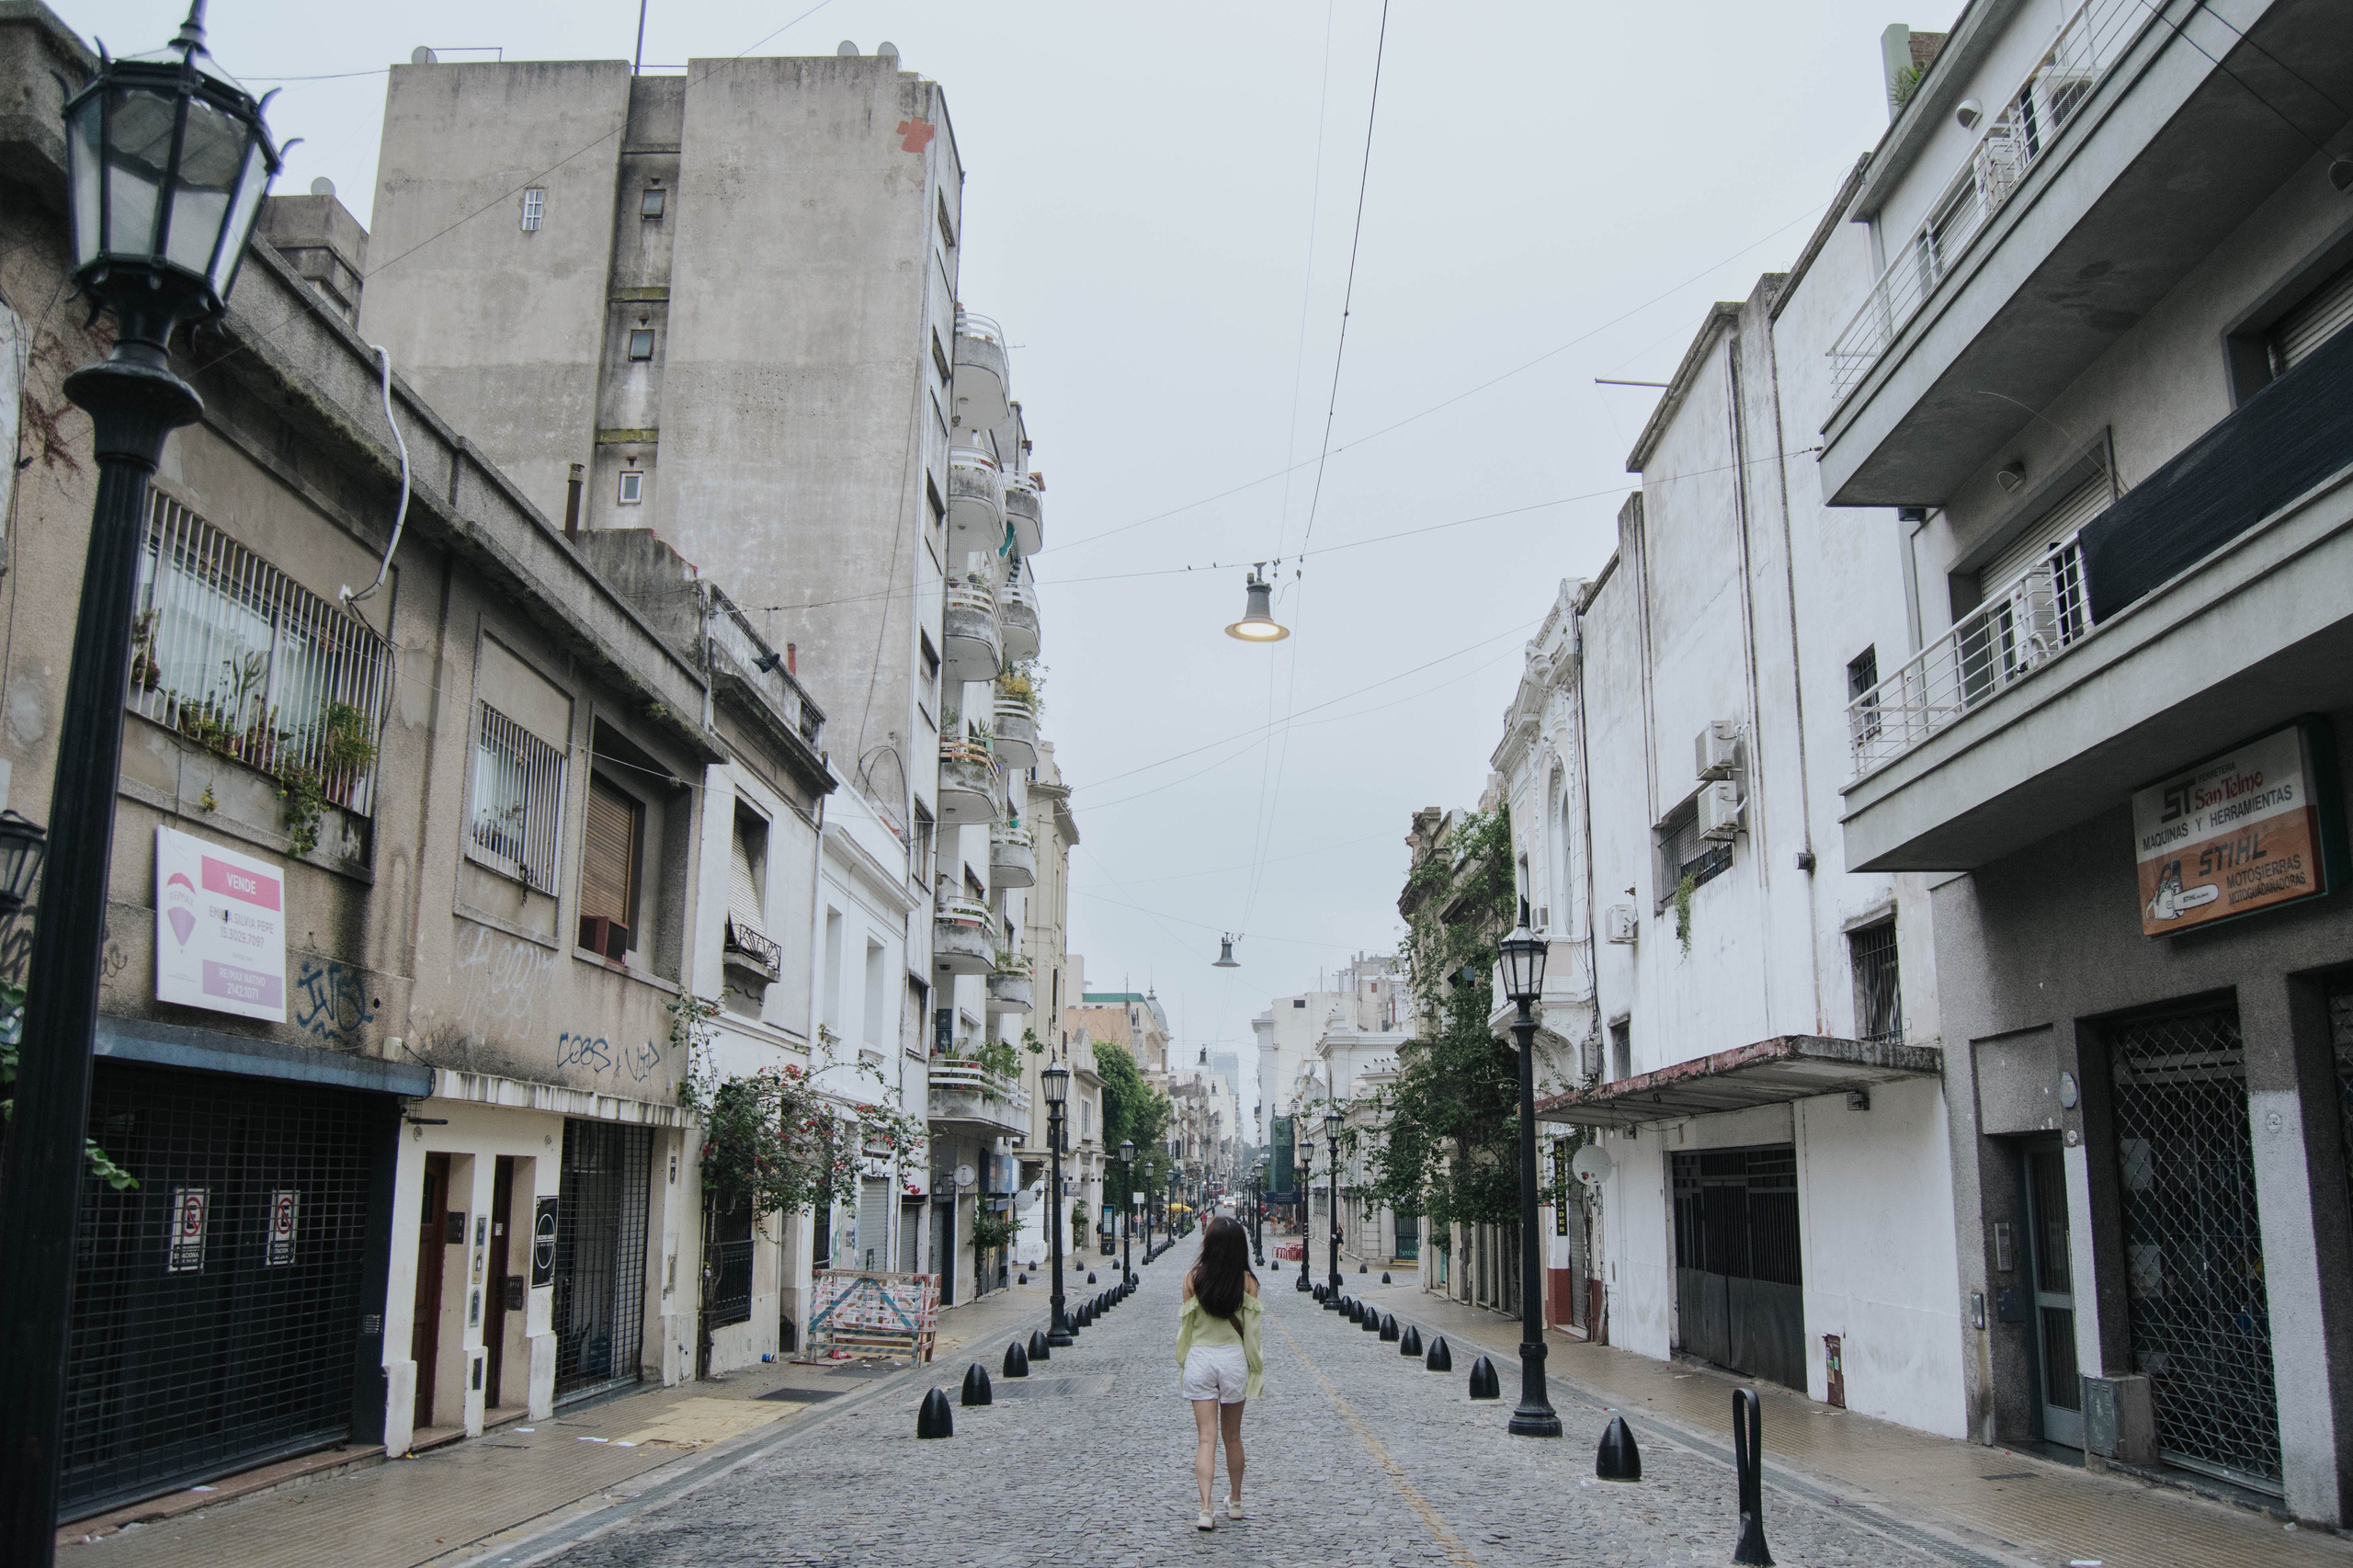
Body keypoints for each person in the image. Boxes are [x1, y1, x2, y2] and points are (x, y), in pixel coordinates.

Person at [1175, 1213, 1261, 1530]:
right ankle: (1235, 1502)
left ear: (1208, 1245)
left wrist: (1184, 1360)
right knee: (1233, 1437)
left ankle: (1206, 1508)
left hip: (1201, 1358)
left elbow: (1186, 1328)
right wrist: (1255, 1368)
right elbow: (1252, 1333)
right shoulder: (1248, 1282)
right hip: (1233, 1359)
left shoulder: (1192, 1279)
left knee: (1206, 1439)